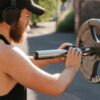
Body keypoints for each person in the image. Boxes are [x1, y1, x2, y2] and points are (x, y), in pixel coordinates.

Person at [0, 0, 82, 100]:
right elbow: (55, 86)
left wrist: (53, 57)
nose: (29, 22)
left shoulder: (4, 51)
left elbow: (21, 64)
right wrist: (72, 67)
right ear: (11, 17)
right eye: (27, 16)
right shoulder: (6, 53)